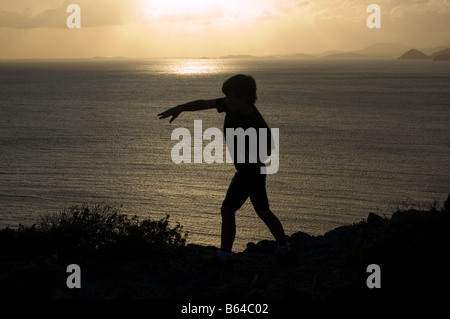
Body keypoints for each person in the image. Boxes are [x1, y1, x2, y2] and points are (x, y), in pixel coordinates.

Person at [158, 74, 294, 266]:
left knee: (228, 210)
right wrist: (180, 108)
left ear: (244, 97)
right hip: (251, 172)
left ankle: (224, 257)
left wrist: (248, 157)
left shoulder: (255, 122)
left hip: (250, 172)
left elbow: (269, 149)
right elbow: (204, 103)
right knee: (263, 211)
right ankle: (285, 251)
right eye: (226, 97)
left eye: (230, 97)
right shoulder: (232, 106)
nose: (226, 100)